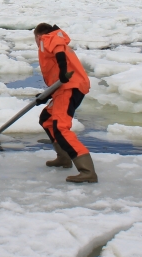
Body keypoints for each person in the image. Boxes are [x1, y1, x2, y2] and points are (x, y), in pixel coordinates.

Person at [34, 23, 96, 184]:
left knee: (60, 127)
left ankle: (87, 171)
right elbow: (57, 77)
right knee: (46, 119)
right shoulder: (54, 41)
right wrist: (46, 96)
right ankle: (64, 157)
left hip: (69, 87)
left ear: (38, 35)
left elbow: (59, 53)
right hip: (64, 88)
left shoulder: (49, 38)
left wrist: (62, 70)